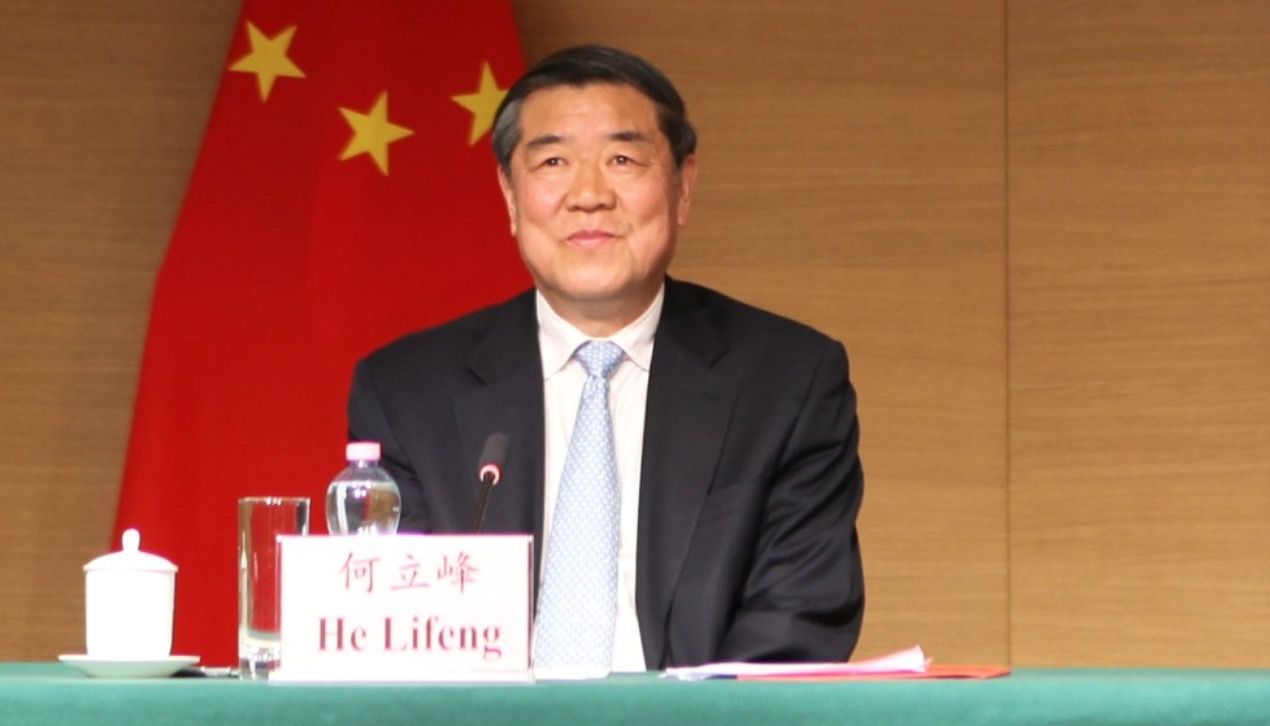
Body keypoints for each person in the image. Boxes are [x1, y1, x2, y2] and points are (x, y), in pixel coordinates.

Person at [347, 44, 864, 671]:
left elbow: (798, 622)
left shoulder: (788, 382)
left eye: (622, 159)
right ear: (510, 195)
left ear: (683, 186)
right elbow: (392, 637)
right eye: (554, 161)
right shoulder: (407, 393)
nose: (589, 195)